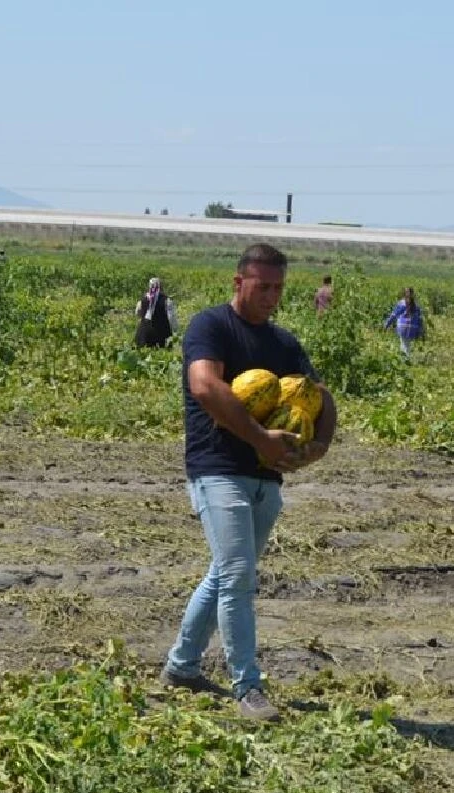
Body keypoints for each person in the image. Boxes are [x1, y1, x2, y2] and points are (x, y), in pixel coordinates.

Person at [161, 243, 337, 722]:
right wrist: (261, 435)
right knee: (239, 575)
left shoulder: (284, 343)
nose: (271, 296)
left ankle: (181, 666)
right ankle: (247, 688)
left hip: (267, 477)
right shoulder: (210, 326)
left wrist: (317, 446)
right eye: (263, 286)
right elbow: (204, 385)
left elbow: (320, 397)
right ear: (238, 282)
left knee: (223, 574)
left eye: (278, 288)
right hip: (217, 469)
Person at [134, 277, 178, 348]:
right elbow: (171, 318)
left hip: (144, 335)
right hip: (161, 335)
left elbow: (137, 313)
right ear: (161, 287)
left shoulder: (142, 300)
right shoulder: (167, 301)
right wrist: (175, 330)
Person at [384, 287, 425, 358]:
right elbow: (420, 319)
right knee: (407, 345)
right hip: (412, 328)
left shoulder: (401, 303)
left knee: (404, 345)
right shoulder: (417, 306)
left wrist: (387, 324)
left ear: (404, 294)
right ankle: (405, 361)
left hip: (402, 327)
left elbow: (393, 315)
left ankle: (405, 361)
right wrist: (420, 330)